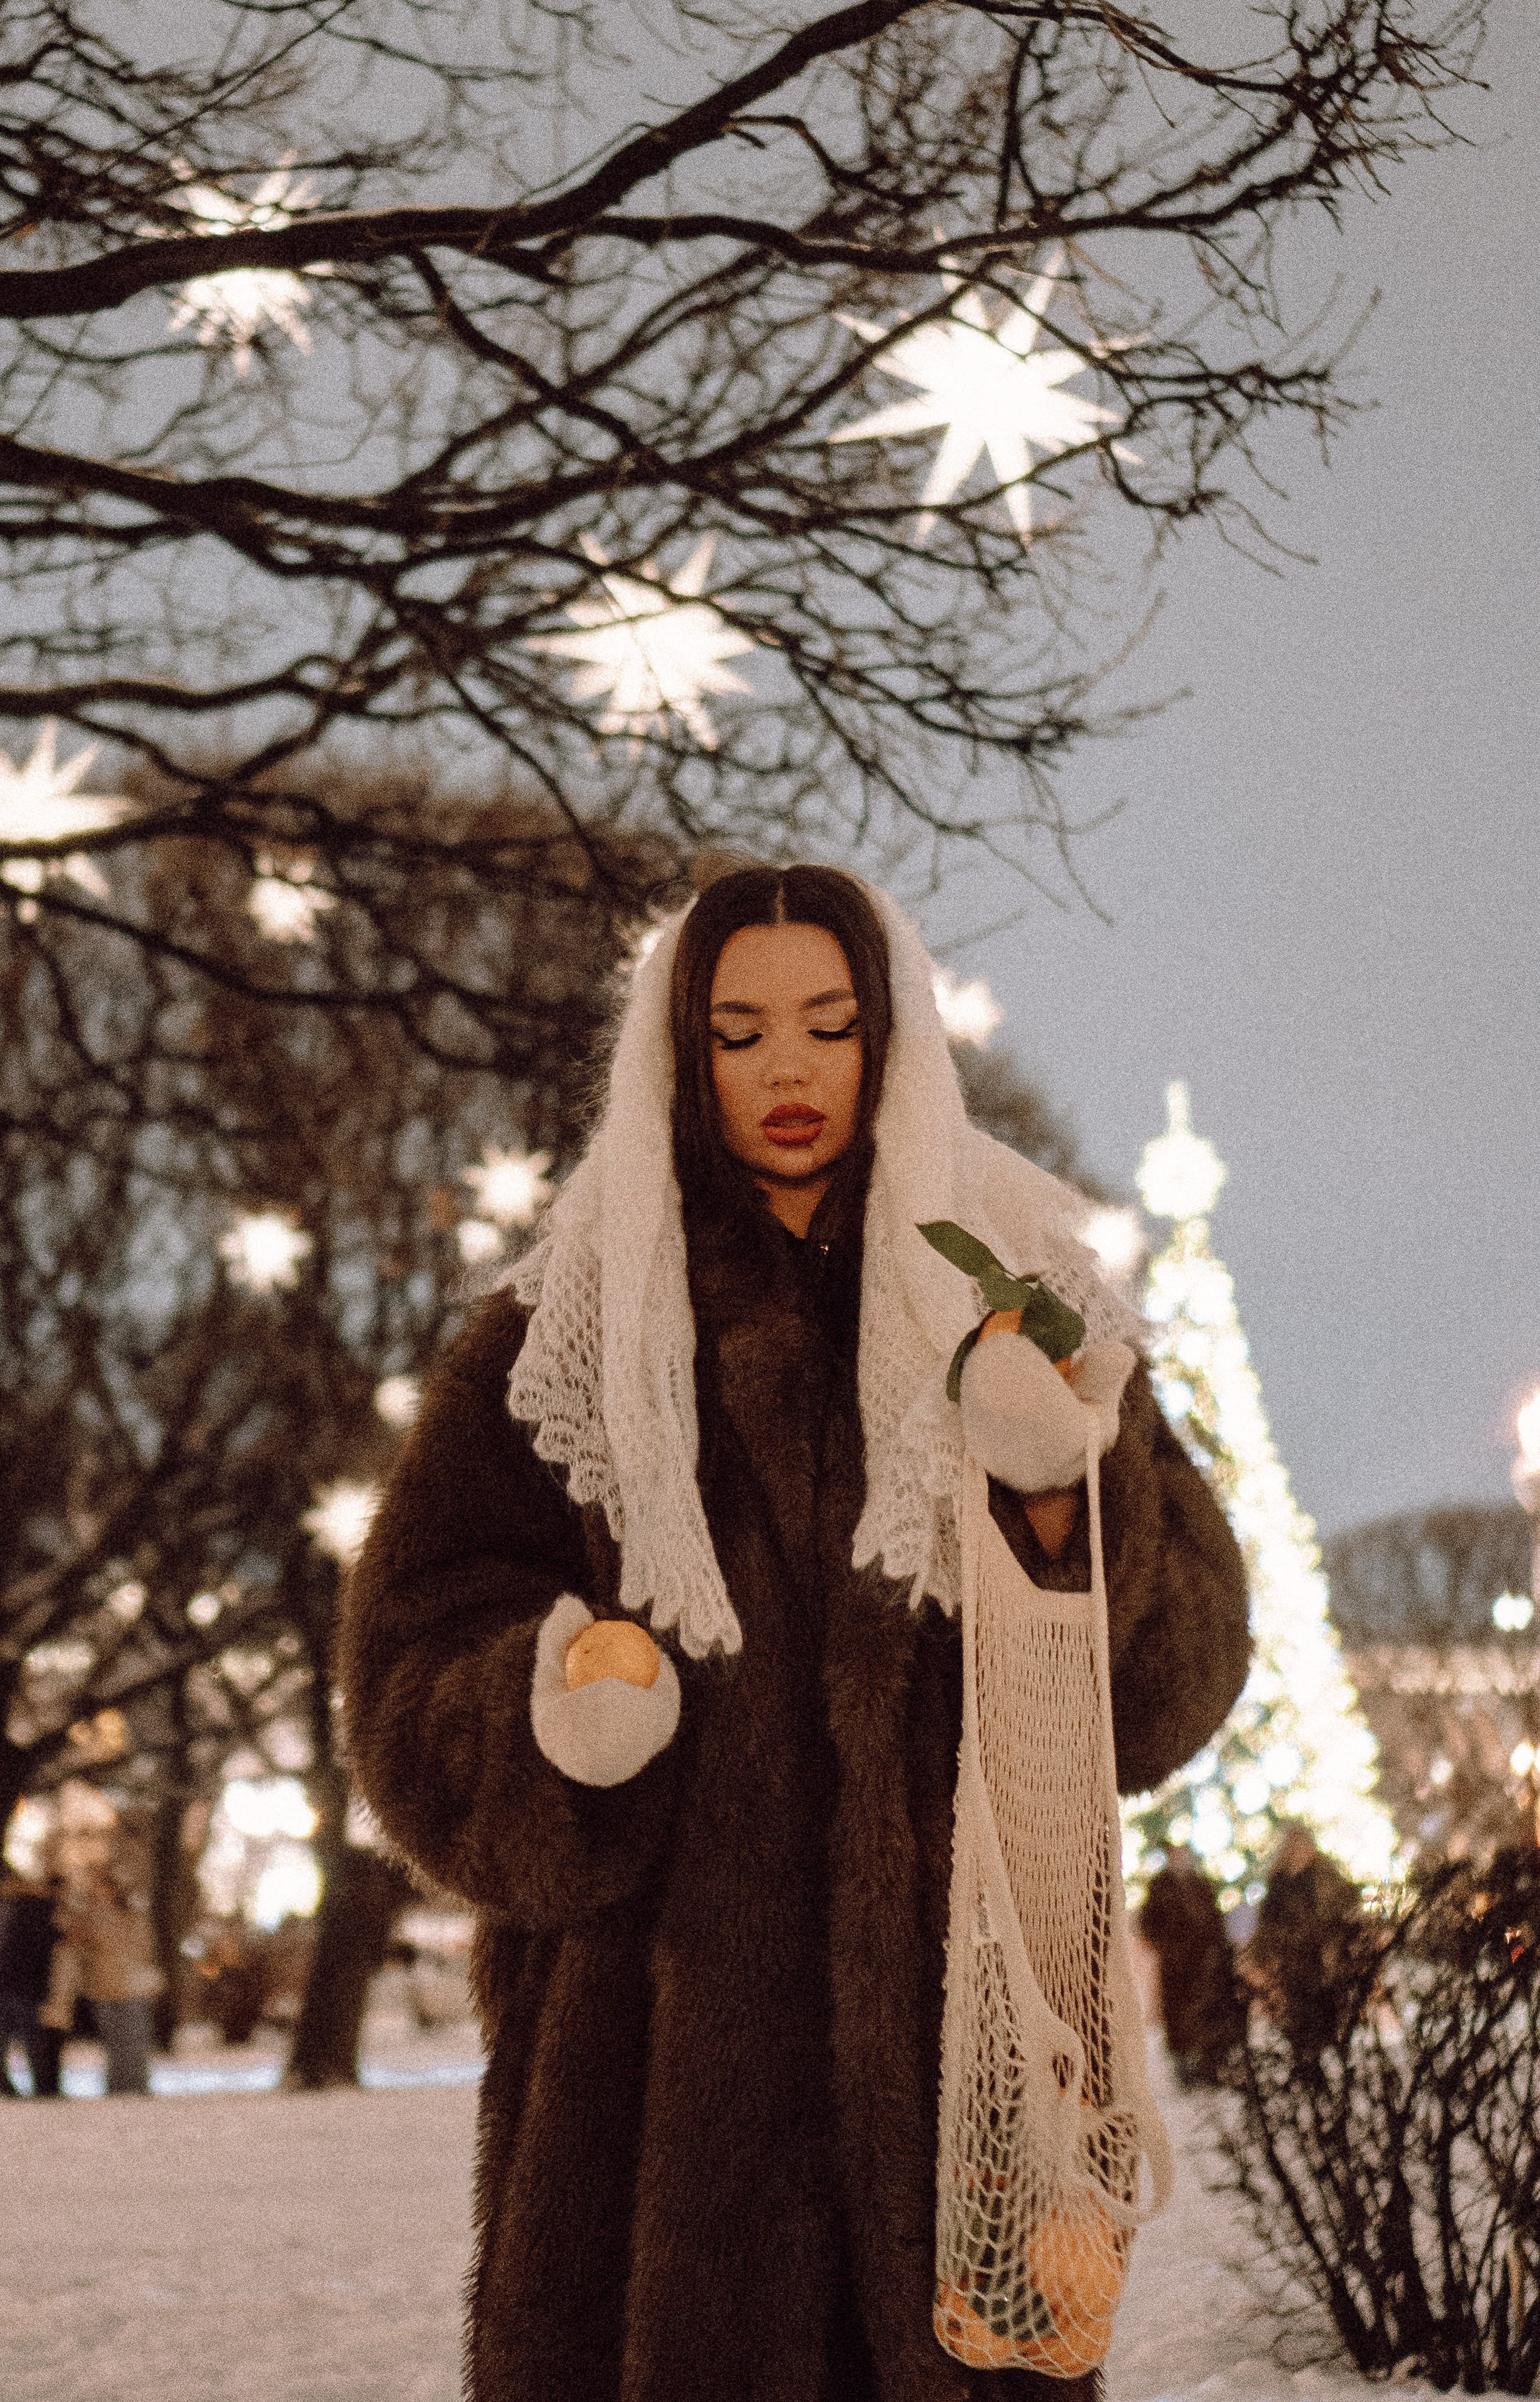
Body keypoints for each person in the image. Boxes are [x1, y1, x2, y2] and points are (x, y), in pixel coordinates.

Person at [344, 864, 1252, 2401]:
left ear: (886, 1039)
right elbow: (408, 1667)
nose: (788, 1070)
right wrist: (553, 1708)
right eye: (739, 1031)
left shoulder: (1022, 1311)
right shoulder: (561, 1335)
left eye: (830, 1026)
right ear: (680, 1052)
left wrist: (1063, 1505)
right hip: (646, 2121)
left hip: (966, 2077)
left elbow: (1175, 1681)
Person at [1137, 1843, 1247, 2088]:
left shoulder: (1200, 1884)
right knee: (1177, 2016)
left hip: (1202, 1963)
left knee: (1204, 2013)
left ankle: (1208, 2067)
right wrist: (1166, 1946)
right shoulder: (1160, 1886)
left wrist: (1217, 1952)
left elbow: (1215, 1922)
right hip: (1175, 1965)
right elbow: (1149, 1922)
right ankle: (1184, 2068)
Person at [1249, 1825, 1362, 2055]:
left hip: (1322, 1957)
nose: (1300, 1849)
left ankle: (1330, 2050)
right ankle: (1308, 2053)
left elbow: (1346, 1902)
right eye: (1296, 1844)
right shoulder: (1280, 1881)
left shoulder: (1324, 1873)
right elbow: (1269, 1923)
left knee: (1326, 2007)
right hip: (1292, 1960)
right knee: (1300, 2012)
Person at [65, 1869, 159, 2094]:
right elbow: (77, 1939)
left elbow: (143, 1946)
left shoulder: (133, 1914)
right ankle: (118, 2086)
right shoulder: (91, 1915)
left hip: (132, 1986)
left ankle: (137, 2085)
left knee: (135, 2039)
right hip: (104, 1986)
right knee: (114, 2041)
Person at [0, 1869, 65, 2096]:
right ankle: (38, 2084)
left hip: (7, 1983)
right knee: (30, 2036)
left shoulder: (7, 1912)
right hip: (26, 1986)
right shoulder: (41, 1911)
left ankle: (7, 2083)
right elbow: (45, 1950)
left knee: (5, 2037)